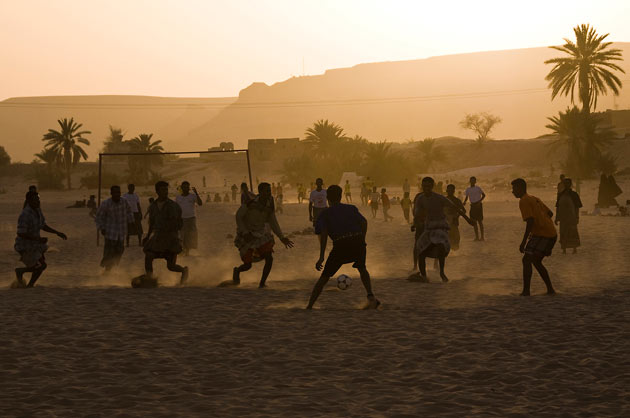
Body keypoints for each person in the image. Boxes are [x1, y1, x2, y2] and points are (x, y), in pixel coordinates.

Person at [306, 185, 380, 310]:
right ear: (340, 196)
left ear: (327, 198)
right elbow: (364, 222)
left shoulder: (325, 214)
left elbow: (323, 235)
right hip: (358, 242)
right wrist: (362, 238)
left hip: (341, 245)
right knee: (362, 268)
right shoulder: (351, 208)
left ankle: (309, 306)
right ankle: (371, 296)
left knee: (324, 277)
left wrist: (321, 257)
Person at [232, 183, 294, 287]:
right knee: (248, 265)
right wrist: (244, 232)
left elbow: (273, 222)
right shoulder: (250, 203)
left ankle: (262, 283)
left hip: (260, 233)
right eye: (266, 191)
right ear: (260, 192)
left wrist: (281, 237)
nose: (268, 193)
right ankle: (237, 270)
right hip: (247, 234)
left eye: (269, 191)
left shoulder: (270, 204)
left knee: (269, 258)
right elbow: (238, 216)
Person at [412, 177, 472, 282]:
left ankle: (442, 272)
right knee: (420, 250)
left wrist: (468, 219)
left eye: (428, 186)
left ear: (432, 187)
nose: (426, 188)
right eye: (424, 186)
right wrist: (415, 224)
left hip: (440, 226)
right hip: (429, 227)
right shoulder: (420, 199)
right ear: (422, 186)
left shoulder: (439, 198)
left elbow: (456, 208)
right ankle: (424, 275)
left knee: (440, 247)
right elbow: (417, 214)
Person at [511, 178, 556, 296]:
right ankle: (550, 289)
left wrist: (523, 242)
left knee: (526, 259)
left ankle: (526, 291)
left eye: (514, 188)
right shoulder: (534, 198)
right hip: (550, 232)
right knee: (535, 261)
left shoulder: (524, 201)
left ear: (521, 188)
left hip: (543, 234)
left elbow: (530, 221)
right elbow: (550, 213)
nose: (512, 191)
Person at [14, 191, 67, 288]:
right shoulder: (25, 215)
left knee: (41, 266)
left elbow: (43, 225)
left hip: (35, 245)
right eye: (35, 200)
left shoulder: (38, 210)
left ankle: (30, 284)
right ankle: (20, 271)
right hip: (25, 246)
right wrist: (37, 239)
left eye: (38, 199)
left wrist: (57, 232)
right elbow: (21, 233)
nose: (38, 201)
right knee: (40, 266)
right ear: (29, 201)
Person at [142, 181, 188, 286]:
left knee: (171, 266)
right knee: (149, 256)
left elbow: (180, 224)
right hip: (157, 238)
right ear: (157, 191)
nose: (165, 192)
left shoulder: (173, 206)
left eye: (166, 189)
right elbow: (152, 223)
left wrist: (175, 235)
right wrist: (148, 236)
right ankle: (150, 278)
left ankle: (184, 271)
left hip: (170, 238)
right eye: (163, 190)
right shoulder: (153, 206)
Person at [95, 185, 134, 273]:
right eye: (115, 192)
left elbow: (129, 212)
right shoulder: (106, 203)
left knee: (119, 252)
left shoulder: (124, 202)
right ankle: (107, 270)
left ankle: (110, 269)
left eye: (118, 192)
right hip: (110, 233)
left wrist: (131, 223)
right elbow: (99, 217)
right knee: (109, 253)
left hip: (121, 232)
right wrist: (102, 228)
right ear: (111, 193)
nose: (117, 194)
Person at [555, 178, 582, 254]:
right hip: (563, 218)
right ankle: (564, 249)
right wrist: (556, 218)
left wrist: (577, 217)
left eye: (568, 183)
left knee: (573, 232)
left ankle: (574, 249)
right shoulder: (560, 195)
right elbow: (558, 207)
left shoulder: (574, 195)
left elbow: (577, 207)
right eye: (565, 183)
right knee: (563, 232)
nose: (567, 185)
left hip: (572, 217)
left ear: (570, 184)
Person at [176, 181, 202, 256]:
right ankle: (183, 250)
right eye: (184, 187)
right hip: (182, 218)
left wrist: (196, 193)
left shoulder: (193, 196)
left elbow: (200, 203)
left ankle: (187, 251)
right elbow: (176, 208)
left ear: (189, 188)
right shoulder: (178, 197)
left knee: (190, 235)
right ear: (181, 188)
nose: (185, 188)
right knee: (182, 235)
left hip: (191, 218)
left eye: (187, 187)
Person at [464, 176, 486, 241]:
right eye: (471, 180)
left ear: (475, 181)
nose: (472, 182)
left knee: (480, 221)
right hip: (473, 205)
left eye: (474, 180)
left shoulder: (478, 188)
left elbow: (484, 195)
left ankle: (482, 237)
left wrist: (479, 201)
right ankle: (477, 237)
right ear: (470, 181)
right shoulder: (468, 189)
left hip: (478, 205)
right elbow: (466, 197)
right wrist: (464, 202)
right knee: (474, 222)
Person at [444, 184, 465, 251]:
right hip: (445, 223)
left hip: (454, 222)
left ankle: (453, 252)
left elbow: (463, 210)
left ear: (454, 191)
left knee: (456, 239)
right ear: (446, 190)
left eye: (451, 190)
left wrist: (457, 215)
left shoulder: (457, 201)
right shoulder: (443, 200)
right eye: (449, 190)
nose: (450, 191)